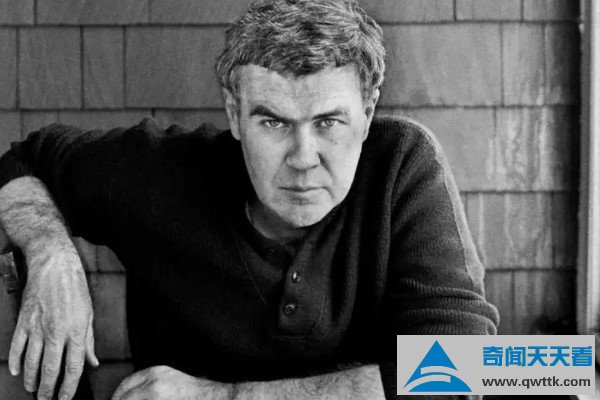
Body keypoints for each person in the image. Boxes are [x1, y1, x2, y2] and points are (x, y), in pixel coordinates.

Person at [0, 0, 499, 399]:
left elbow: (474, 368)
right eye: (273, 122)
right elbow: (22, 162)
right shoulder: (164, 172)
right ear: (235, 115)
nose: (303, 158)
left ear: (367, 114)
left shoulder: (402, 165)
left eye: (328, 122)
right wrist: (49, 253)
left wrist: (223, 397)